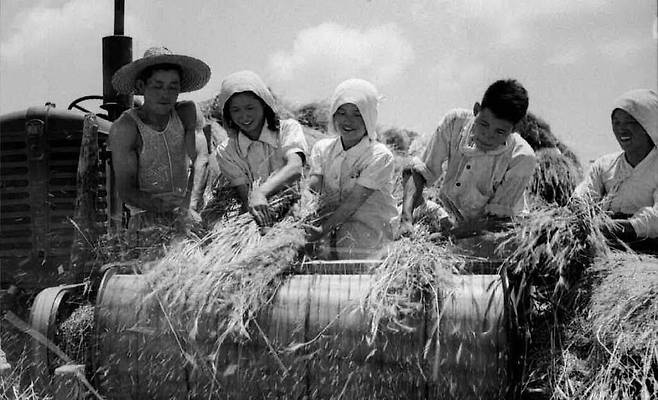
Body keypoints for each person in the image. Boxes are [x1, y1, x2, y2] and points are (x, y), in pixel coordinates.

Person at [400, 79, 537, 238]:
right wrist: (406, 219)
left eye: (499, 132)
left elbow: (496, 221)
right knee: (408, 175)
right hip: (456, 218)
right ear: (476, 109)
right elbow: (421, 170)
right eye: (484, 124)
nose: (488, 136)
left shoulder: (522, 157)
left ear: (515, 129)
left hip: (498, 232)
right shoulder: (454, 122)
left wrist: (449, 237)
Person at [109, 46, 210, 239]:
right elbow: (126, 189)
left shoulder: (187, 113)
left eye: (173, 86)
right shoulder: (126, 127)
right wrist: (167, 208)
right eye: (157, 85)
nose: (165, 94)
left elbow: (201, 158)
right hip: (147, 221)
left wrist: (190, 206)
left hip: (190, 213)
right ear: (140, 86)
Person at [306, 79, 397, 260]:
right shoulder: (322, 149)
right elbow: (313, 188)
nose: (348, 121)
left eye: (357, 114)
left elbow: (352, 203)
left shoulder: (379, 156)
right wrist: (304, 216)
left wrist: (322, 229)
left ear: (369, 117)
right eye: (342, 112)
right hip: (326, 233)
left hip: (368, 238)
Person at [211, 71, 308, 227]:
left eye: (250, 108)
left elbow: (295, 167)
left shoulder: (288, 129)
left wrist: (261, 192)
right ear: (228, 113)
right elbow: (246, 196)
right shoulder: (226, 151)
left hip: (297, 207)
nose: (244, 116)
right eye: (236, 110)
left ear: (264, 104)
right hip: (261, 215)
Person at [574, 89, 658, 242]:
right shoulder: (604, 165)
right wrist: (580, 211)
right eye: (616, 122)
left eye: (630, 122)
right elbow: (584, 196)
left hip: (647, 249)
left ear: (647, 126)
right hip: (605, 242)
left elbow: (656, 219)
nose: (621, 129)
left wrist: (617, 227)